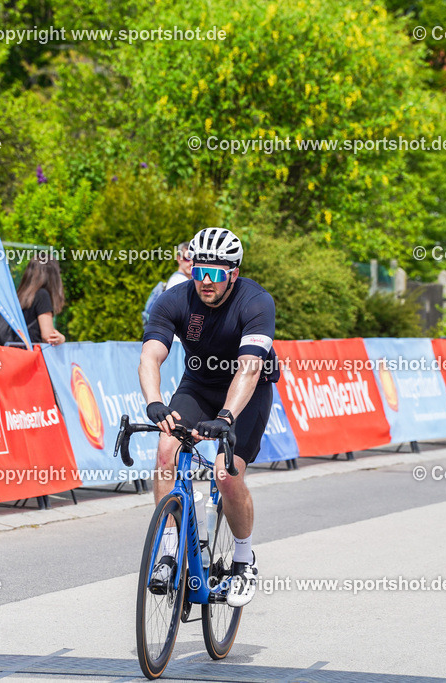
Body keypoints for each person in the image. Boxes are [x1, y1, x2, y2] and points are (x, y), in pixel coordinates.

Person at [139, 227, 278, 608]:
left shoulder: (256, 302)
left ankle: (244, 558)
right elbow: (151, 355)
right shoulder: (174, 299)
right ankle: (168, 550)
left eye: (216, 274)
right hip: (199, 386)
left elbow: (249, 368)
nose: (206, 281)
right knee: (166, 449)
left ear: (233, 273)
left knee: (225, 472)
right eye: (199, 271)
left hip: (246, 392)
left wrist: (227, 416)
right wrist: (154, 403)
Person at [0, 257, 66, 346]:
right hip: (29, 355)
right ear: (53, 276)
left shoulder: (19, 296)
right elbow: (48, 336)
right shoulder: (42, 295)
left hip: (10, 351)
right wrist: (62, 338)